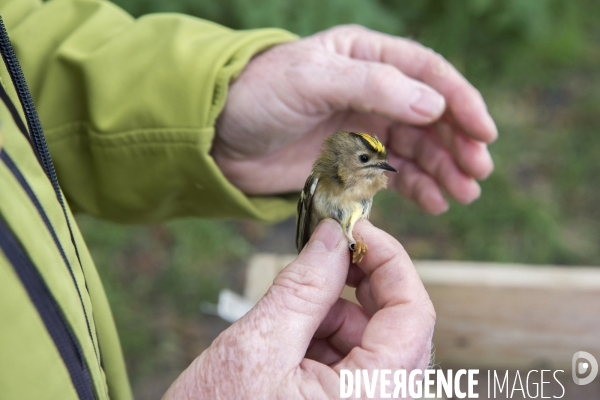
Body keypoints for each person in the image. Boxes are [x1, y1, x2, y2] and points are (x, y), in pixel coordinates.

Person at [0, 0, 495, 399]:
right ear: (344, 165)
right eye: (368, 163)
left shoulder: (359, 187)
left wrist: (210, 103)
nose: (379, 171)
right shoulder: (322, 183)